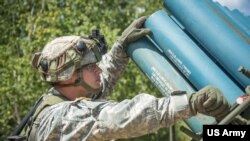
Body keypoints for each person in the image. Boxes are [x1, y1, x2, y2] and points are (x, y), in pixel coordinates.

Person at [21, 16, 230, 141]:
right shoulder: (62, 117)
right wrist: (191, 103)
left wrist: (121, 48)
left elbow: (102, 81)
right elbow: (121, 117)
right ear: (70, 76)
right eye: (91, 66)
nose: (99, 71)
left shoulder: (64, 95)